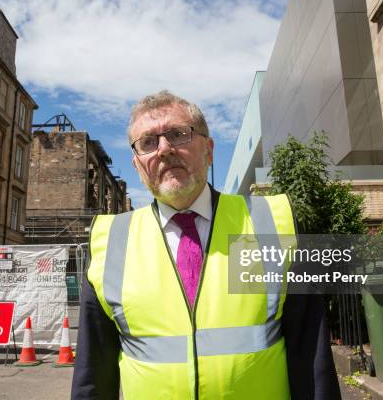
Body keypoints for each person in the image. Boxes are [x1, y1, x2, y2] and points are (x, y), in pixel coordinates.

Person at [71, 91, 341, 399]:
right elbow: (94, 371)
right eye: (148, 142)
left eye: (178, 134)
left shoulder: (266, 223)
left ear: (209, 150)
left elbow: (311, 356)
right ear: (137, 165)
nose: (164, 149)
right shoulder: (112, 240)